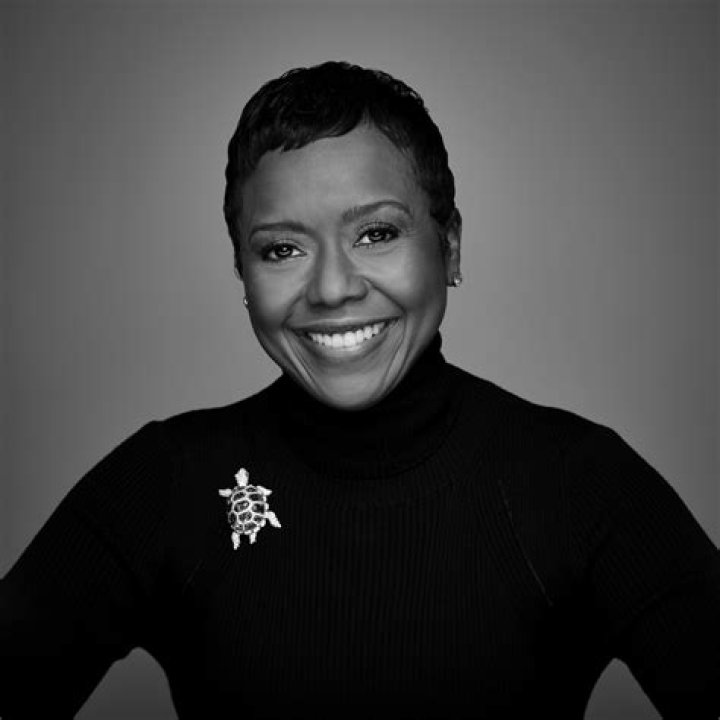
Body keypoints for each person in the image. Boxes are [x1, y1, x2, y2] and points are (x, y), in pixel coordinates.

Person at [1, 61, 718, 719]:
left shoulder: (580, 481)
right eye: (281, 249)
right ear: (243, 273)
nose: (332, 288)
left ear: (450, 246)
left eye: (376, 233)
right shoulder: (166, 481)